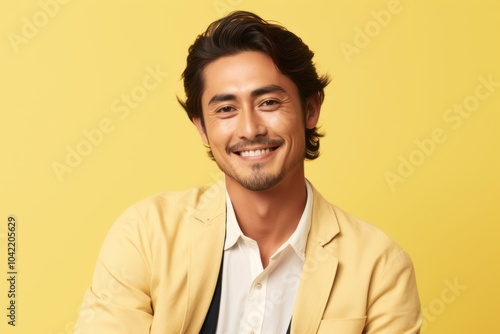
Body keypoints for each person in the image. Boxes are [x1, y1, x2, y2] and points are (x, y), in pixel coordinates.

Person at [75, 11, 421, 334]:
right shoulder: (146, 235)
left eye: (268, 102)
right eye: (226, 109)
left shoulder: (380, 266)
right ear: (202, 128)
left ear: (310, 109)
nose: (250, 128)